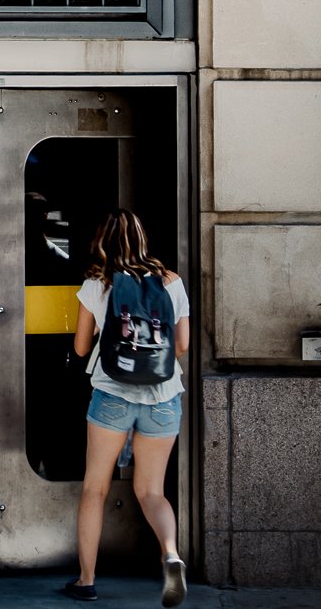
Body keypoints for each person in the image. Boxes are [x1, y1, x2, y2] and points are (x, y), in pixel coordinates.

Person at [62, 209, 190, 607]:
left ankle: (86, 581)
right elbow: (182, 346)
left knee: (95, 488)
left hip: (113, 397)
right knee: (152, 491)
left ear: (101, 241)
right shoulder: (172, 282)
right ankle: (170, 554)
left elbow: (82, 348)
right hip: (164, 398)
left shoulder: (96, 285)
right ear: (142, 239)